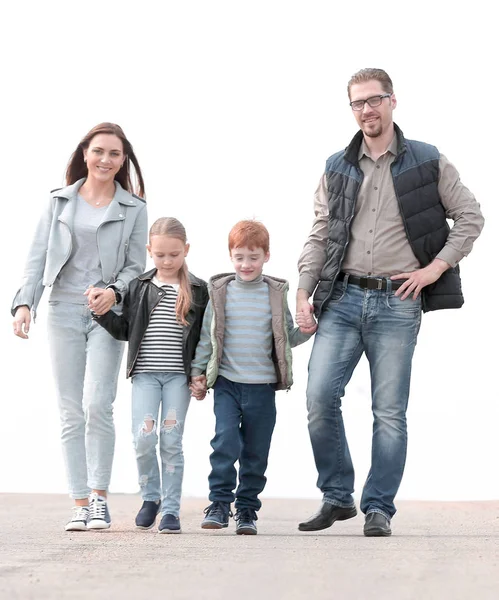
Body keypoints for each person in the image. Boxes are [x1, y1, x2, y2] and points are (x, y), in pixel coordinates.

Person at [295, 68, 484, 537]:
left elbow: (470, 217)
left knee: (389, 412)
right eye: (358, 103)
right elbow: (321, 233)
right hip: (340, 297)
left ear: (393, 101)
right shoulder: (336, 165)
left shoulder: (427, 160)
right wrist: (303, 288)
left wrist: (433, 270)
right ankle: (337, 496)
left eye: (374, 100)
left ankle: (378, 506)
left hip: (397, 304)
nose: (367, 110)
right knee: (319, 397)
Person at [11, 123, 148, 531]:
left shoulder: (134, 208)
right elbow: (37, 257)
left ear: (124, 161)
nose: (106, 160)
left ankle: (100, 499)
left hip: (106, 317)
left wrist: (114, 291)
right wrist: (23, 304)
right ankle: (79, 502)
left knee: (97, 405)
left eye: (115, 154)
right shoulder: (58, 202)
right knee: (70, 411)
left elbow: (135, 268)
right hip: (63, 311)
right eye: (99, 151)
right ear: (85, 154)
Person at [190, 220, 314, 535]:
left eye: (254, 257)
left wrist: (307, 331)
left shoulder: (274, 294)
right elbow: (207, 337)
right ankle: (219, 503)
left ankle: (246, 509)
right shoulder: (221, 292)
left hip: (262, 389)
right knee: (225, 442)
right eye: (240, 257)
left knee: (256, 452)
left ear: (267, 256)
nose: (246, 264)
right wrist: (198, 373)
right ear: (231, 256)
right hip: (228, 385)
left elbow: (286, 336)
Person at [92, 217, 208, 533]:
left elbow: (206, 337)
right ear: (149, 251)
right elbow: (126, 330)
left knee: (171, 440)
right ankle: (151, 497)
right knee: (144, 439)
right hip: (144, 376)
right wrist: (100, 314)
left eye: (174, 254)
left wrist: (201, 375)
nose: (167, 261)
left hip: (177, 380)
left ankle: (171, 511)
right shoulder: (138, 287)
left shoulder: (199, 290)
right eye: (160, 255)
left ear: (186, 250)